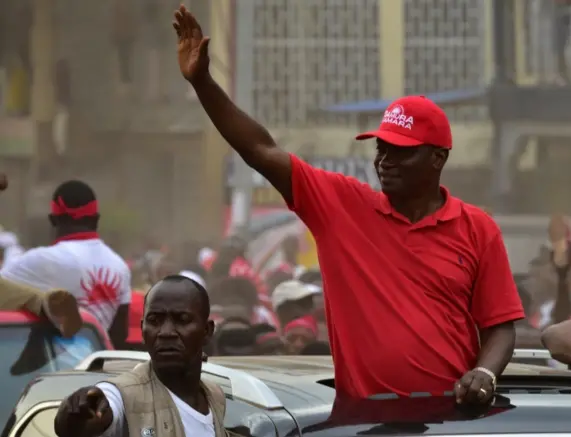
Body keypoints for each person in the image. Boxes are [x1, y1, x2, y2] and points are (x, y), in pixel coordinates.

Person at [174, 5, 523, 402]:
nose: (384, 161)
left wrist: (484, 373)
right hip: (362, 422)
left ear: (438, 158)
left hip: (452, 422)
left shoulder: (477, 228)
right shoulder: (341, 206)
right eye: (381, 149)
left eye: (401, 152)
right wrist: (203, 83)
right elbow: (259, 149)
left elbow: (500, 326)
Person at [53, 275, 227, 437]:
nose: (165, 332)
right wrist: (76, 411)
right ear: (143, 330)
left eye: (182, 319)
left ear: (207, 331)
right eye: (154, 321)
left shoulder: (215, 397)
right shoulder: (125, 395)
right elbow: (89, 416)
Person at [0, 180, 131, 348]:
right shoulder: (120, 267)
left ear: (53, 220)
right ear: (97, 220)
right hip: (99, 367)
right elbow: (119, 334)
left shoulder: (41, 261)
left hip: (53, 369)